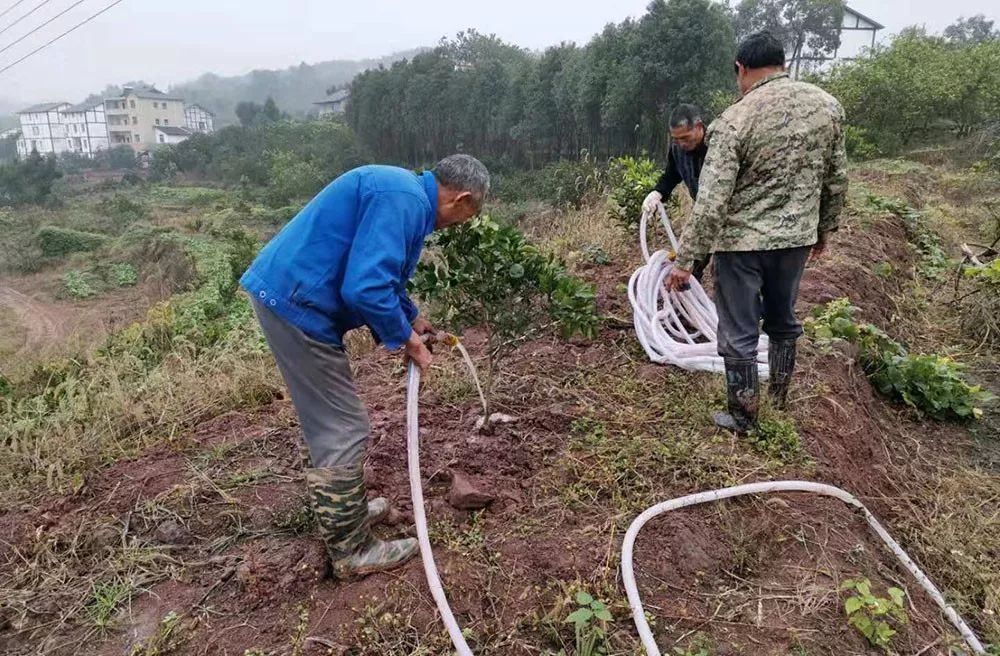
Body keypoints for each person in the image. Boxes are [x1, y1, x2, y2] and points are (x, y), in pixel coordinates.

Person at [240, 154, 490, 578]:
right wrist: (407, 340)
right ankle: (351, 550)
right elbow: (366, 287)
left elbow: (378, 273)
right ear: (461, 198)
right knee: (344, 426)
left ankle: (347, 513)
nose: (457, 225)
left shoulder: (402, 192)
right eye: (466, 216)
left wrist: (409, 315)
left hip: (293, 296)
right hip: (298, 306)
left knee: (331, 422)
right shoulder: (404, 200)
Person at [666, 31, 847, 432]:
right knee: (783, 320)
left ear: (741, 69)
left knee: (739, 331)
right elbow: (836, 179)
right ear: (782, 63)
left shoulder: (733, 121)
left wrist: (687, 260)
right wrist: (823, 231)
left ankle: (743, 416)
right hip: (795, 240)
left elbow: (712, 200)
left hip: (741, 246)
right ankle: (780, 398)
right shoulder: (827, 107)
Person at [642, 103, 712, 280]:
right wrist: (658, 192)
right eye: (676, 139)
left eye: (686, 138)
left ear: (698, 127)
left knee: (727, 270)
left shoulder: (717, 146)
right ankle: (684, 303)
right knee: (688, 264)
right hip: (701, 214)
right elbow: (672, 174)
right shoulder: (677, 150)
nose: (682, 143)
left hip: (727, 215)